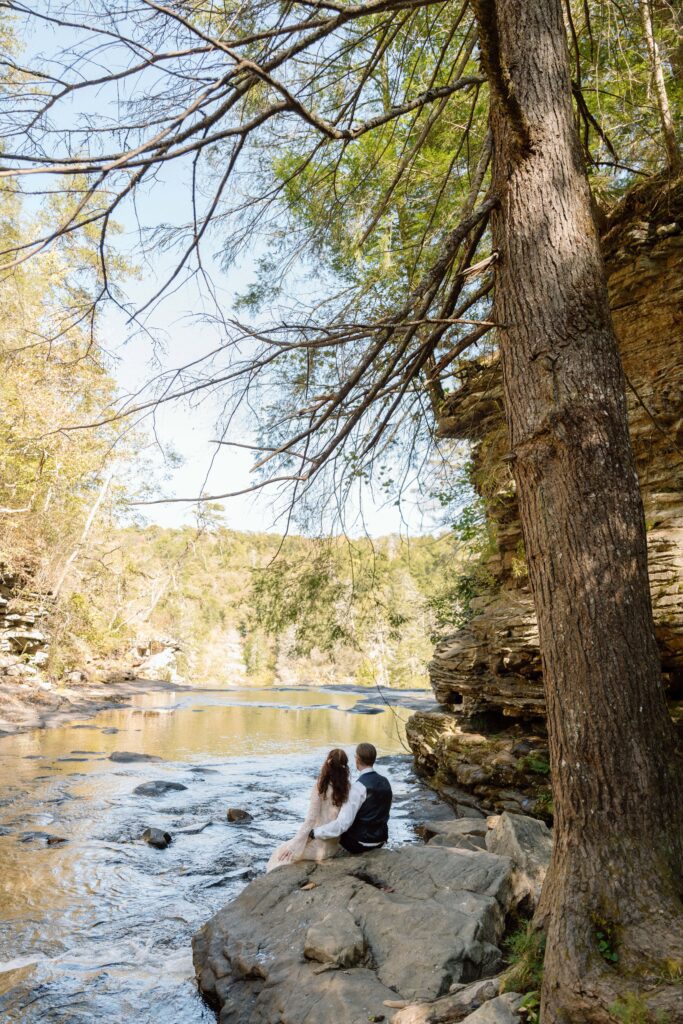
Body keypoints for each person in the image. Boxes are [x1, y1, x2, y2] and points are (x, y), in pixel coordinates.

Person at [266, 747, 350, 872]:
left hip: (319, 845)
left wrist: (294, 846)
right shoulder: (347, 787)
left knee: (280, 854)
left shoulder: (321, 786)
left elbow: (310, 820)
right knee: (289, 848)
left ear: (328, 763)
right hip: (334, 845)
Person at [308, 742, 392, 854]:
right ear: (374, 759)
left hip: (360, 843)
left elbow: (342, 825)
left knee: (337, 825)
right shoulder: (385, 782)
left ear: (357, 759)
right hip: (380, 840)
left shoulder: (358, 788)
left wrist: (315, 832)